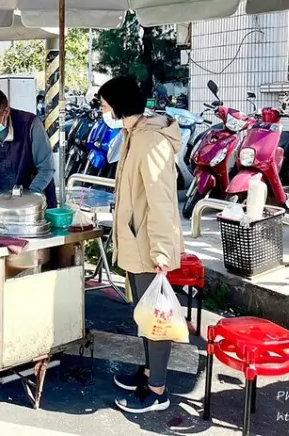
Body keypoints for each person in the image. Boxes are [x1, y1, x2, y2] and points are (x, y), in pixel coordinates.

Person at [98, 76, 184, 414]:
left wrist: (162, 251)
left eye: (105, 103)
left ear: (119, 104)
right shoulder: (133, 134)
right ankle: (148, 372)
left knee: (157, 319)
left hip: (150, 247)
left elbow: (161, 200)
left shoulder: (149, 141)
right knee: (144, 315)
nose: (103, 109)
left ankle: (157, 391)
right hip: (137, 244)